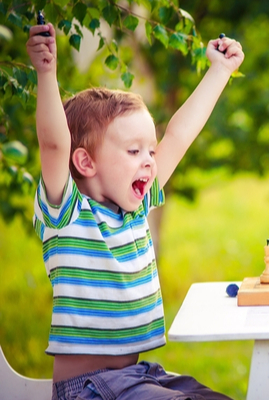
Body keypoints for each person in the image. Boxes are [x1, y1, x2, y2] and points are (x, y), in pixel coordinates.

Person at [26, 18, 244, 400]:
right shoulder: (68, 214)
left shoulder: (134, 208)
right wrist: (47, 74)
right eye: (133, 151)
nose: (149, 161)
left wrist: (220, 71)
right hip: (89, 390)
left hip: (138, 376)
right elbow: (53, 145)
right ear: (85, 162)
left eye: (150, 150)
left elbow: (178, 134)